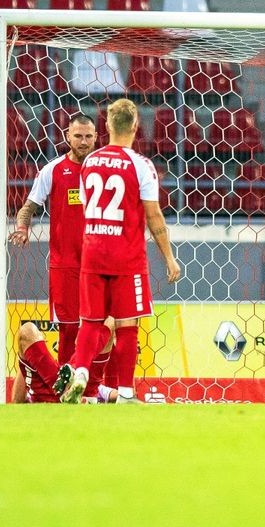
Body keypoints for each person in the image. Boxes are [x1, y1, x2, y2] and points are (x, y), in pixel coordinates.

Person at [55, 99, 181, 403]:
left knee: (91, 322)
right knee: (127, 325)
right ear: (136, 127)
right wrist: (169, 257)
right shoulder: (141, 165)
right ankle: (125, 393)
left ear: (107, 126)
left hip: (93, 252)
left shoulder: (90, 162)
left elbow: (88, 210)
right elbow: (154, 217)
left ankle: (81, 370)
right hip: (127, 257)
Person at [9, 114, 105, 400]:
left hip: (99, 261)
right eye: (78, 136)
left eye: (88, 136)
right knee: (68, 329)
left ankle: (87, 386)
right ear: (66, 136)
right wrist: (23, 228)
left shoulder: (102, 171)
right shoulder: (52, 170)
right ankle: (65, 390)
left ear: (96, 137)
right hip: (65, 264)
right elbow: (28, 207)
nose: (83, 141)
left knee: (101, 326)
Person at [12, 318, 118, 404]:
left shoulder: (96, 387)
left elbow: (114, 395)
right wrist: (28, 357)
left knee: (108, 320)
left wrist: (125, 394)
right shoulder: (45, 367)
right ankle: (67, 387)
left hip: (82, 393)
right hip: (64, 392)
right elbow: (17, 400)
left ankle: (68, 382)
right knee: (27, 330)